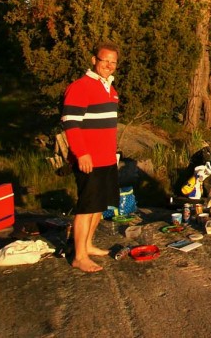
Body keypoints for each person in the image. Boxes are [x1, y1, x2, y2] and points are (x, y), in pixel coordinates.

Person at [61, 41, 121, 272]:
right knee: (86, 207)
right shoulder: (80, 86)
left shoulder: (110, 88)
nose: (108, 65)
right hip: (88, 159)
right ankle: (79, 256)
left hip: (106, 159)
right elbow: (71, 123)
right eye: (104, 60)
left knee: (98, 206)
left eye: (113, 62)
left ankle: (87, 245)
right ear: (93, 60)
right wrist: (81, 154)